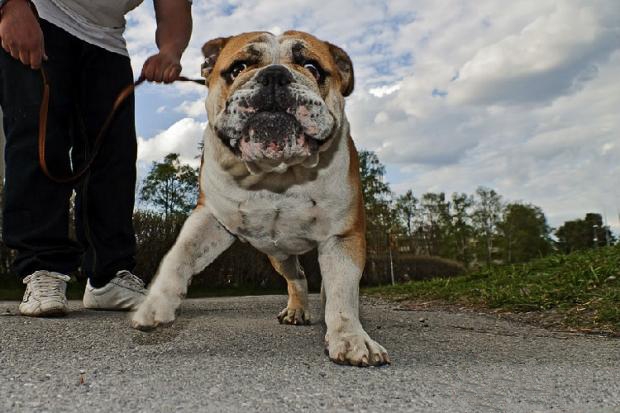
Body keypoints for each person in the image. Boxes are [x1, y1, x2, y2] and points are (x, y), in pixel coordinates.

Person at [0, 0, 192, 316]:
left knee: (113, 158)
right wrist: (12, 6)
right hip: (39, 14)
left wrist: (170, 51)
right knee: (40, 143)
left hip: (107, 41)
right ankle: (42, 268)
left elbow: (174, 5)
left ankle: (108, 276)